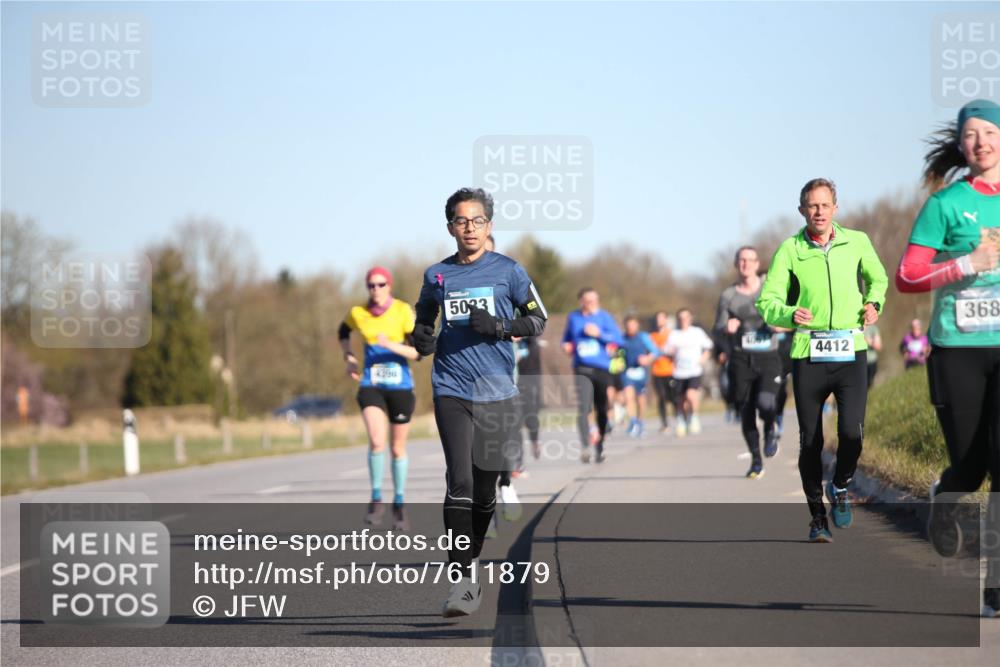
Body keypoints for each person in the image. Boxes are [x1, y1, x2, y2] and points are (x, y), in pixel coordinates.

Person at [411, 188, 547, 617]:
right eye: (461, 221)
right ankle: (463, 582)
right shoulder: (437, 275)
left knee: (486, 492)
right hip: (451, 387)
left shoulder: (509, 271)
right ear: (450, 226)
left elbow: (538, 320)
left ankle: (470, 560)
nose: (469, 228)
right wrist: (420, 337)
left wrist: (501, 326)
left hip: (497, 393)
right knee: (460, 482)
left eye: (477, 221)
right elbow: (423, 317)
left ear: (489, 225)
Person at [894, 99, 1000, 618]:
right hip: (958, 349)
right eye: (971, 135)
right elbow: (907, 276)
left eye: (989, 132)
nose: (980, 141)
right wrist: (967, 264)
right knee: (973, 467)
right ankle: (946, 493)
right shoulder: (945, 204)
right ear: (961, 145)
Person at [757, 177, 887, 543]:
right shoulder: (790, 250)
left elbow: (878, 280)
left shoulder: (857, 241)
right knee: (811, 440)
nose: (818, 211)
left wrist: (874, 304)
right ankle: (817, 517)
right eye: (811, 206)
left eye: (824, 205)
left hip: (851, 349)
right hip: (808, 353)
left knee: (851, 433)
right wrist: (787, 314)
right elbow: (768, 301)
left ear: (835, 208)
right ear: (802, 210)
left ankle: (841, 485)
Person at [339, 266, 419, 531]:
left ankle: (399, 502)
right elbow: (343, 331)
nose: (376, 290)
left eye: (381, 284)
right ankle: (376, 497)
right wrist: (349, 357)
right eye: (371, 285)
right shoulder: (358, 313)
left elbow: (418, 352)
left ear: (390, 286)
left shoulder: (403, 311)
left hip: (401, 387)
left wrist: (391, 345)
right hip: (371, 384)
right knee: (376, 441)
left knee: (397, 448)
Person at [713, 246, 783, 479]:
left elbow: (788, 316)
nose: (745, 264)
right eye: (741, 260)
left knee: (765, 402)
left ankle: (771, 428)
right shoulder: (728, 296)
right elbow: (718, 330)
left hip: (768, 356)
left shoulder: (769, 289)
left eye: (749, 260)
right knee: (745, 409)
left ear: (756, 263)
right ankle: (755, 460)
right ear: (736, 264)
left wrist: (778, 325)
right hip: (741, 358)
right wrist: (727, 328)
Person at [562, 287, 624, 463]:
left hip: (602, 368)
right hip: (582, 368)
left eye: (594, 300)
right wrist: (566, 346)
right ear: (581, 301)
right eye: (587, 301)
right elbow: (566, 339)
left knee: (602, 408)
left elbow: (618, 340)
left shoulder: (605, 317)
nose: (591, 304)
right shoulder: (574, 317)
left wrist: (599, 334)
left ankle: (601, 444)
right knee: (583, 408)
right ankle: (585, 446)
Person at [664, 308, 713, 436]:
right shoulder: (674, 334)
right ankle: (681, 418)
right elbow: (667, 351)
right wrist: (670, 354)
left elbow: (708, 347)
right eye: (680, 318)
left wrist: (703, 359)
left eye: (686, 317)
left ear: (690, 319)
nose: (683, 320)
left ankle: (694, 418)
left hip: (694, 371)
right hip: (679, 372)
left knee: (691, 395)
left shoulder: (697, 332)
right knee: (681, 399)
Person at [621, 314, 660, 437]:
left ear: (637, 325)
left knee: (641, 399)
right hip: (627, 371)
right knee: (628, 397)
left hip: (641, 372)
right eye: (628, 325)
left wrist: (648, 358)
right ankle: (633, 421)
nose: (631, 327)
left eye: (633, 324)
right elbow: (615, 351)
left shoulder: (643, 337)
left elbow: (656, 351)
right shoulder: (622, 338)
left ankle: (641, 421)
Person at [648, 311, 677, 433]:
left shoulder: (672, 334)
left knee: (673, 397)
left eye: (661, 318)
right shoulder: (651, 336)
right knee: (661, 397)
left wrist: (670, 351)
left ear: (666, 320)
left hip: (671, 370)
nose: (659, 321)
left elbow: (676, 349)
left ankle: (679, 418)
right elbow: (648, 352)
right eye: (657, 318)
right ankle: (664, 423)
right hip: (657, 371)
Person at [863, 323, 882, 391]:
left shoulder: (873, 328)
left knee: (869, 383)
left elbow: (878, 346)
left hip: (871, 361)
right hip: (857, 361)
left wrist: (868, 342)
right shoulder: (854, 326)